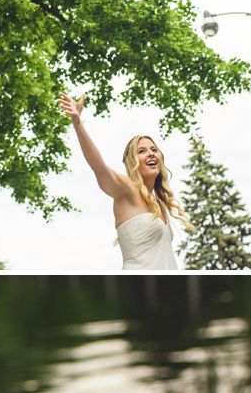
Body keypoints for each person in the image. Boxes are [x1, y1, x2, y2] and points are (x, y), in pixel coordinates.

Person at [58, 98, 183, 270]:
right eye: (142, 151)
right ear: (133, 161)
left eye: (154, 150)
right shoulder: (127, 190)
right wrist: (78, 124)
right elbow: (99, 168)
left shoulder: (160, 204)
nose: (151, 154)